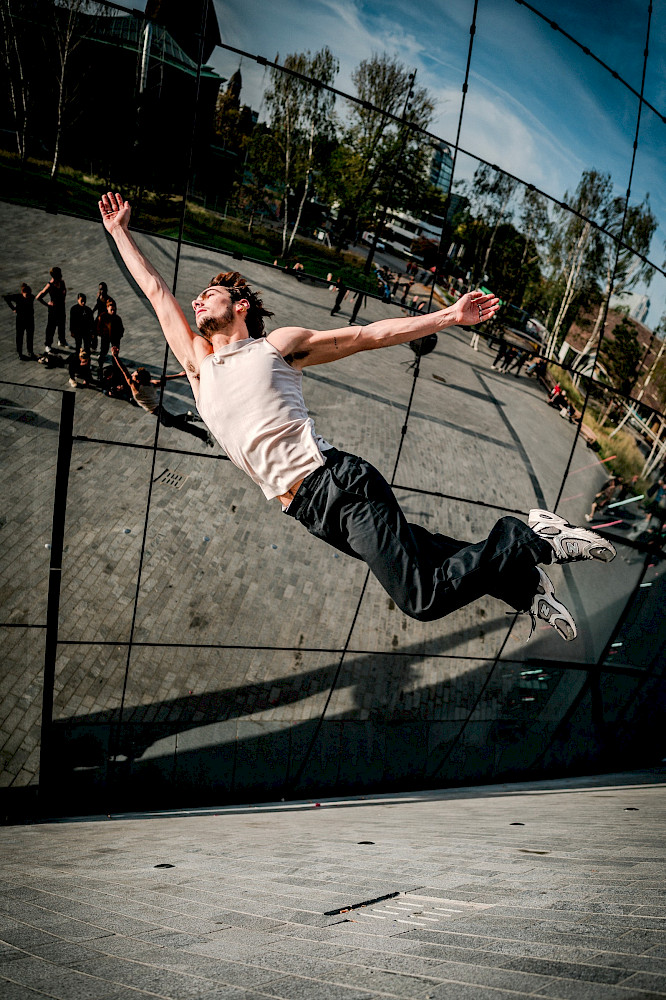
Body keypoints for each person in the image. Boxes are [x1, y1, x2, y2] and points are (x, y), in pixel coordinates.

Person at [99, 191, 617, 642]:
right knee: (422, 552)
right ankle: (523, 585)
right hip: (307, 512)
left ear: (239, 307)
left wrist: (449, 316)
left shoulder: (276, 347)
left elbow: (369, 336)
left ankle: (532, 536)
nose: (196, 300)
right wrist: (120, 232)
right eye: (196, 297)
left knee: (420, 596)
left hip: (339, 486)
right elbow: (156, 292)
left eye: (209, 294)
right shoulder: (198, 365)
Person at [110, 347, 213, 447]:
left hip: (157, 410)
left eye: (134, 375)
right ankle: (196, 425)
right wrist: (179, 375)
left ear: (138, 380)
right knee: (177, 424)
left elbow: (124, 370)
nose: (132, 374)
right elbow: (163, 379)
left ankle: (196, 426)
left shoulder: (135, 386)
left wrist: (116, 357)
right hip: (158, 408)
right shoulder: (152, 383)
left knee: (171, 423)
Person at [35, 266, 67, 351]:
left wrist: (63, 299)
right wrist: (48, 305)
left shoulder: (62, 282)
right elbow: (38, 297)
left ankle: (61, 340)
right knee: (51, 327)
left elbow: (64, 290)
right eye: (59, 274)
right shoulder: (50, 285)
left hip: (61, 307)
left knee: (62, 325)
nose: (61, 275)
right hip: (54, 309)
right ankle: (48, 344)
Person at [4, 283, 36, 360]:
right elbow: (6, 298)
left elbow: (7, 298)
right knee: (20, 337)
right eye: (26, 295)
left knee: (29, 336)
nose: (27, 296)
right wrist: (13, 308)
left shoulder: (31, 297)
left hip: (29, 319)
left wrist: (14, 308)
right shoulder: (18, 297)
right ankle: (21, 353)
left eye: (28, 294)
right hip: (21, 320)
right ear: (22, 292)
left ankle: (29, 351)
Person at [96, 297, 124, 373]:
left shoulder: (117, 318)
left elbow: (121, 328)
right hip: (105, 337)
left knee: (115, 355)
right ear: (107, 308)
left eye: (114, 310)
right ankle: (100, 367)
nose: (113, 311)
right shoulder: (103, 317)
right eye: (111, 309)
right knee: (103, 352)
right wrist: (101, 334)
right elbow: (98, 327)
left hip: (115, 338)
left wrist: (119, 336)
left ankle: (115, 369)